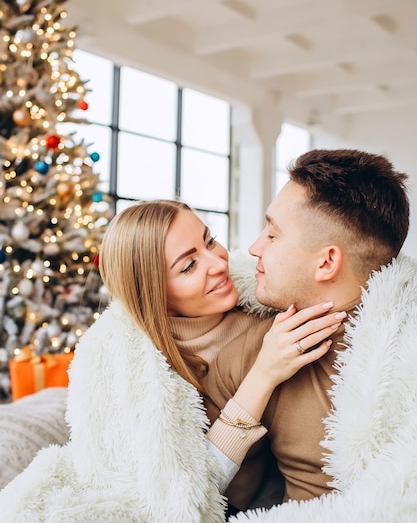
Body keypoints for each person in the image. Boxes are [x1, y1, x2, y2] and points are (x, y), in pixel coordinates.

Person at [0, 199, 344, 522]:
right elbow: (177, 496)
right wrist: (263, 375)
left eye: (210, 241)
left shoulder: (267, 310)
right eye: (189, 265)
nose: (218, 263)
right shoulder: (141, 370)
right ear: (155, 293)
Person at [204, 148, 417, 522]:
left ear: (326, 262)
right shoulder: (245, 359)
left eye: (272, 234)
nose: (254, 248)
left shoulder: (406, 351)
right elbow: (215, 499)